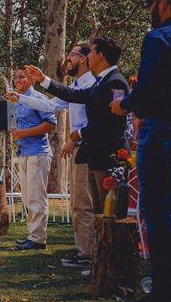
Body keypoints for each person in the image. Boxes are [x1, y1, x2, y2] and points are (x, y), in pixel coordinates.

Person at [110, 0, 171, 302]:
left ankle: (162, 293)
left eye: (153, 4)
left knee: (158, 213)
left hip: (161, 132)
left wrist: (124, 106)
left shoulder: (158, 38)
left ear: (162, 4)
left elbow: (145, 92)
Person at [7, 44, 95, 264]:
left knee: (84, 203)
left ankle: (86, 251)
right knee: (76, 202)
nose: (68, 58)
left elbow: (50, 117)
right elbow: (50, 105)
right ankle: (82, 250)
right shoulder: (76, 85)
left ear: (84, 59)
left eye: (73, 54)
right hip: (68, 148)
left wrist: (75, 138)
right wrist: (20, 99)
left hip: (81, 147)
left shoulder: (92, 84)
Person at [25, 37, 128, 216]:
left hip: (108, 157)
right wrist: (44, 80)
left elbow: (111, 123)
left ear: (100, 55)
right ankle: (97, 245)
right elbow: (73, 95)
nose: (88, 57)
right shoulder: (101, 82)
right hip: (96, 155)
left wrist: (80, 133)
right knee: (98, 213)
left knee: (109, 214)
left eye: (92, 52)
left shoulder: (115, 82)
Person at [5, 68, 56, 250]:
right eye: (16, 77)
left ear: (31, 80)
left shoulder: (38, 99)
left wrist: (24, 132)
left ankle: (38, 238)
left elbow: (51, 124)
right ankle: (32, 235)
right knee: (27, 197)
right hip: (24, 153)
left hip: (38, 152)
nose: (17, 80)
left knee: (36, 197)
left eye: (21, 77)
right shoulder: (17, 101)